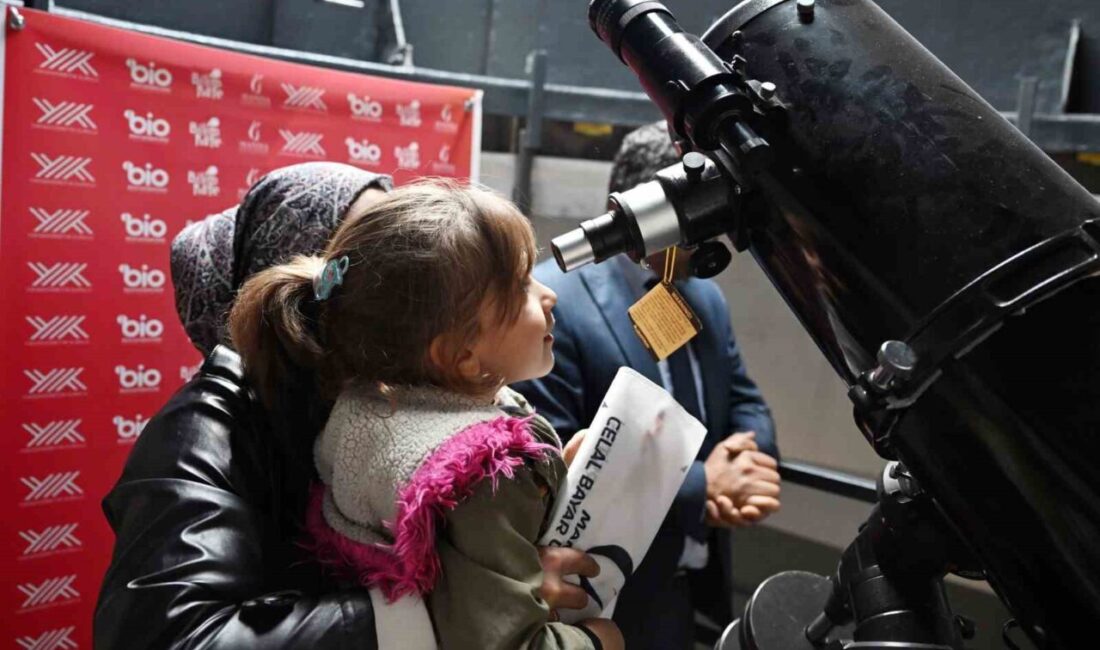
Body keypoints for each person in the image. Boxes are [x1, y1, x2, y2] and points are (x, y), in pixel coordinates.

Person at [95, 163, 603, 649]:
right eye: (388, 253)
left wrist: (522, 521)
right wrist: (455, 603)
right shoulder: (203, 429)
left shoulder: (409, 400)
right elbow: (169, 637)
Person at [226, 178, 624, 650]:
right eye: (520, 285)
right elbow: (510, 641)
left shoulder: (364, 408)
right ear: (460, 356)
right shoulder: (488, 474)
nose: (549, 295)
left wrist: (551, 482)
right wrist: (599, 642)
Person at [513, 121, 783, 649]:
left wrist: (749, 463)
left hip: (693, 582)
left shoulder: (702, 297)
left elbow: (746, 400)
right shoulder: (552, 305)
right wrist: (707, 487)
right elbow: (554, 455)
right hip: (605, 597)